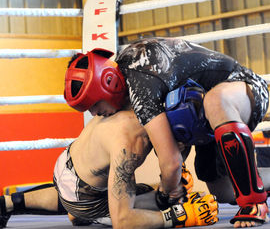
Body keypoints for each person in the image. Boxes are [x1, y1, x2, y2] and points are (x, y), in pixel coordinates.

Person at [64, 37, 269, 228]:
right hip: (207, 118)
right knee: (223, 192)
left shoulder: (140, 82)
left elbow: (170, 162)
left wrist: (169, 192)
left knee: (215, 101)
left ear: (109, 82)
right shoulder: (129, 74)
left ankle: (254, 202)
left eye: (94, 104)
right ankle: (258, 186)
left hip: (245, 89)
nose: (94, 113)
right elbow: (171, 138)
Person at [0, 109, 218, 229]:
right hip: (84, 198)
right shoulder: (131, 143)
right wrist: (181, 215)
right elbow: (124, 221)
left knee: (140, 189)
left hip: (68, 165)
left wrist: (171, 177)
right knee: (152, 200)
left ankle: (7, 203)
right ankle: (90, 216)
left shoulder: (142, 102)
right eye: (180, 145)